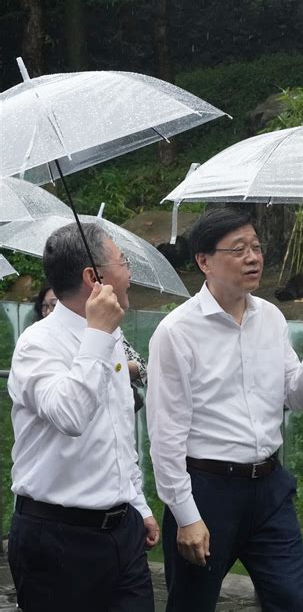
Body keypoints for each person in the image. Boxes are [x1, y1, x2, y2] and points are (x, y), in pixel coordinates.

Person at [146, 208, 303, 612]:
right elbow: (165, 435)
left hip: (269, 488)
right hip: (208, 490)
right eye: (238, 249)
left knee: (291, 602)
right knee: (192, 605)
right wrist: (185, 515)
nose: (253, 257)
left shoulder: (270, 317)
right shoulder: (177, 332)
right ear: (204, 261)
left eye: (256, 247)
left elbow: (296, 397)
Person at [8, 222, 159, 612]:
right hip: (56, 540)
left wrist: (136, 504)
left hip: (121, 533)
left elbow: (117, 433)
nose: (129, 275)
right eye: (123, 263)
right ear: (94, 278)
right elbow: (71, 416)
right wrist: (96, 334)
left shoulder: (110, 338)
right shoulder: (36, 344)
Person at [34, 283, 147, 411]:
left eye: (54, 305)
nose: (48, 311)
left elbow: (142, 368)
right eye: (44, 306)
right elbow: (68, 413)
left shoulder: (108, 331)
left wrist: (117, 366)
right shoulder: (36, 340)